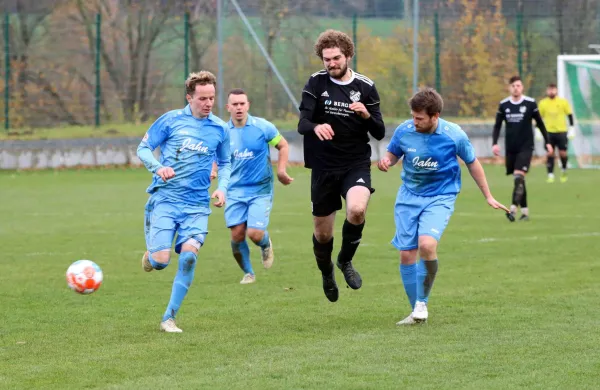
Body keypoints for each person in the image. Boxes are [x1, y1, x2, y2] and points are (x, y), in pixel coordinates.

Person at [377, 88, 509, 325]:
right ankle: (415, 310)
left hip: (440, 196)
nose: (414, 122)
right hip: (408, 197)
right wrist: (387, 161)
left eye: (420, 118)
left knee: (426, 244)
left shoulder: (453, 135)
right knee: (406, 253)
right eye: (413, 116)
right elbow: (393, 153)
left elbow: (473, 163)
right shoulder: (405, 130)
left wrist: (488, 196)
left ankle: (421, 303)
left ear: (435, 116)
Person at [137, 71, 231, 333]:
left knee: (189, 257)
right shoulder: (170, 121)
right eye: (202, 98)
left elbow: (225, 163)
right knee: (161, 261)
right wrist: (158, 168)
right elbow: (143, 148)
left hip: (197, 205)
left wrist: (222, 189)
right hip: (166, 199)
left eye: (211, 98)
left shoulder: (220, 129)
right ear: (189, 97)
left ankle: (169, 317)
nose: (208, 103)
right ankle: (151, 255)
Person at [297, 29, 385, 302]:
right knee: (322, 235)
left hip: (355, 163)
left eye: (336, 58)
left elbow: (380, 132)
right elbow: (302, 124)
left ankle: (345, 261)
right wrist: (317, 126)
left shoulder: (365, 87)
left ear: (348, 56)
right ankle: (326, 272)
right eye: (326, 59)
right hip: (323, 166)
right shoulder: (316, 83)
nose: (331, 64)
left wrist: (367, 114)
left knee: (357, 210)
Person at [224, 88, 293, 284]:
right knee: (237, 235)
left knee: (254, 234)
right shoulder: (222, 132)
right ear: (228, 107)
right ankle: (248, 273)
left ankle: (265, 244)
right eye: (234, 104)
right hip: (234, 190)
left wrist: (281, 170)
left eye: (242, 104)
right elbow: (217, 158)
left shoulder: (262, 127)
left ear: (248, 105)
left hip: (260, 189)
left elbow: (283, 145)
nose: (238, 108)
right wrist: (213, 172)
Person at [492, 76, 553, 222]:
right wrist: (494, 143)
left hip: (526, 147)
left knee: (519, 177)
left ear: (522, 87)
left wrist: (548, 142)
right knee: (519, 179)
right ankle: (525, 212)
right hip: (511, 148)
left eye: (518, 85)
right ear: (509, 88)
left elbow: (540, 123)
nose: (516, 88)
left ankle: (512, 208)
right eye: (513, 85)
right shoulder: (504, 104)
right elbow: (497, 125)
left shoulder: (530, 103)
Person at [538, 83, 575, 183]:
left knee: (563, 153)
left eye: (553, 89)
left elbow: (570, 115)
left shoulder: (563, 102)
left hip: (561, 131)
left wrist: (571, 128)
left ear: (556, 90)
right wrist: (537, 130)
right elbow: (539, 118)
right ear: (547, 91)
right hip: (548, 132)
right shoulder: (543, 103)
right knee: (550, 153)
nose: (551, 91)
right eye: (549, 89)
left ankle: (563, 170)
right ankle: (550, 174)